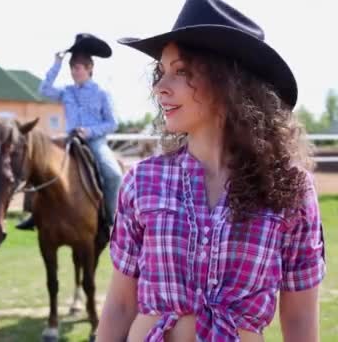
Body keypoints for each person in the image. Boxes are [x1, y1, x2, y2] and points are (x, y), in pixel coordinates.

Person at [97, 1, 326, 341]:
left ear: (228, 81)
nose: (160, 87)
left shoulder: (291, 188)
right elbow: (119, 306)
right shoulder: (141, 182)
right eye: (162, 72)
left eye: (181, 71)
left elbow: (300, 320)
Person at [16, 33, 122, 230]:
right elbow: (44, 89)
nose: (74, 72)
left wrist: (89, 131)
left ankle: (112, 218)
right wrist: (57, 63)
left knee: (114, 173)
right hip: (68, 138)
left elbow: (112, 123)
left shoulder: (102, 93)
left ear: (90, 68)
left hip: (95, 141)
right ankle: (34, 214)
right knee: (36, 159)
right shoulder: (66, 91)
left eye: (78, 68)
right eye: (72, 68)